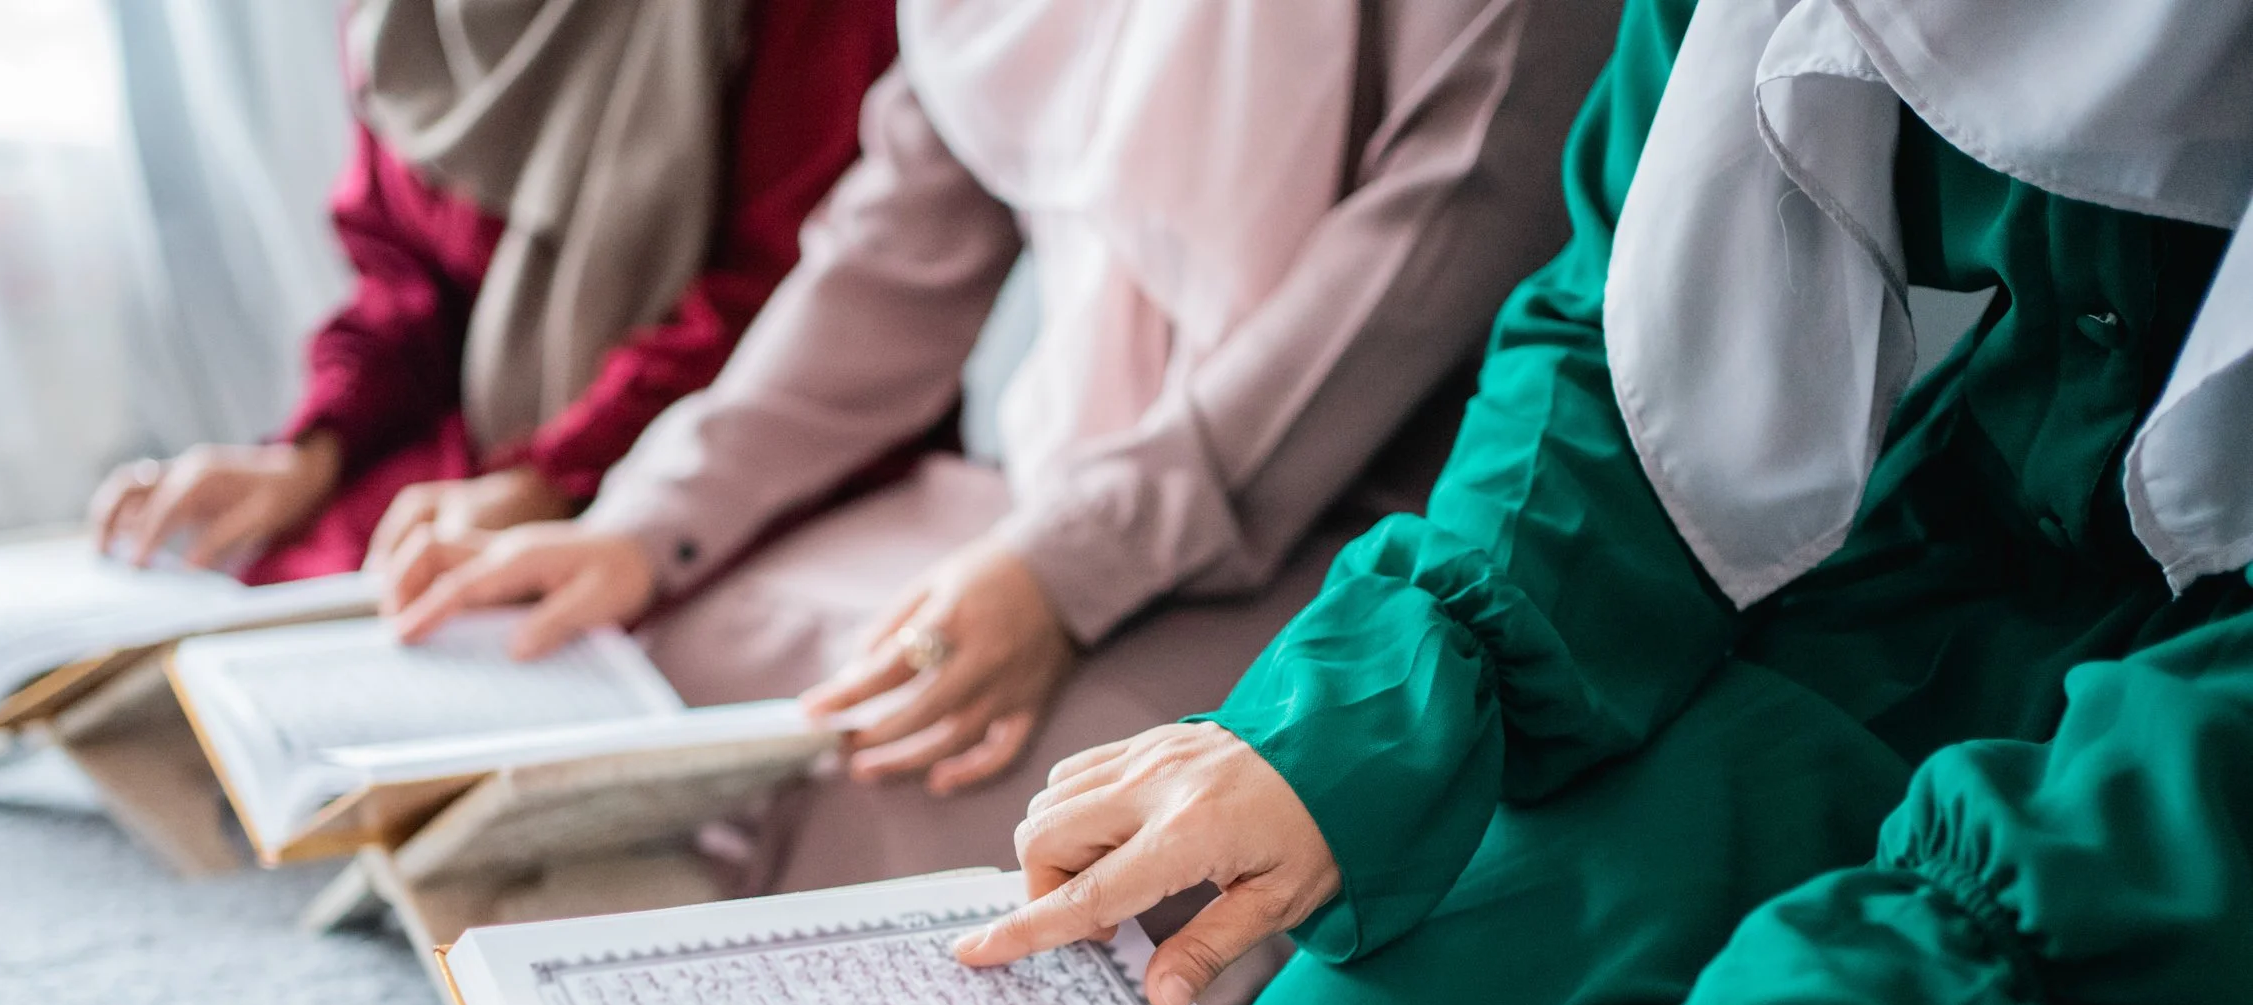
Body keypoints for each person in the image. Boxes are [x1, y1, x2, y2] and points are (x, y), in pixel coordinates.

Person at [954, 0, 2253, 1005]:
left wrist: (1955, 970)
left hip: (2203, 800)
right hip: (1927, 605)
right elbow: (1629, 308)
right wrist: (1369, 705)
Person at [381, 0, 1626, 908]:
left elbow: (1400, 296)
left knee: (935, 789)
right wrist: (644, 524)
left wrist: (1058, 575)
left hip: (1375, 527)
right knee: (684, 653)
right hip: (1071, 463)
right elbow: (889, 258)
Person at [89, 0, 897, 585]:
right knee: (246, 626)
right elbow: (403, 278)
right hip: (493, 455)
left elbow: (783, 296)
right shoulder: (401, 21)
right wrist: (306, 456)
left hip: (736, 455)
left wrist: (550, 482)